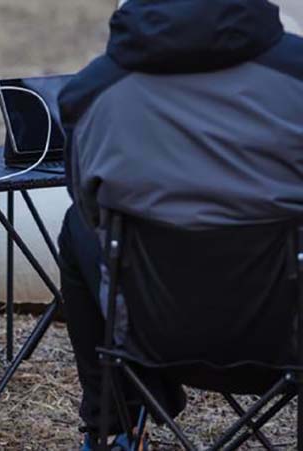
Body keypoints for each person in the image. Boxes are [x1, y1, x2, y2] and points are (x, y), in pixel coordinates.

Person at [57, 0, 303, 448]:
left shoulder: (94, 89)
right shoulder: (296, 74)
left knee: (77, 226)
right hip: (287, 339)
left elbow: (88, 205)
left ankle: (113, 426)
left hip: (150, 340)